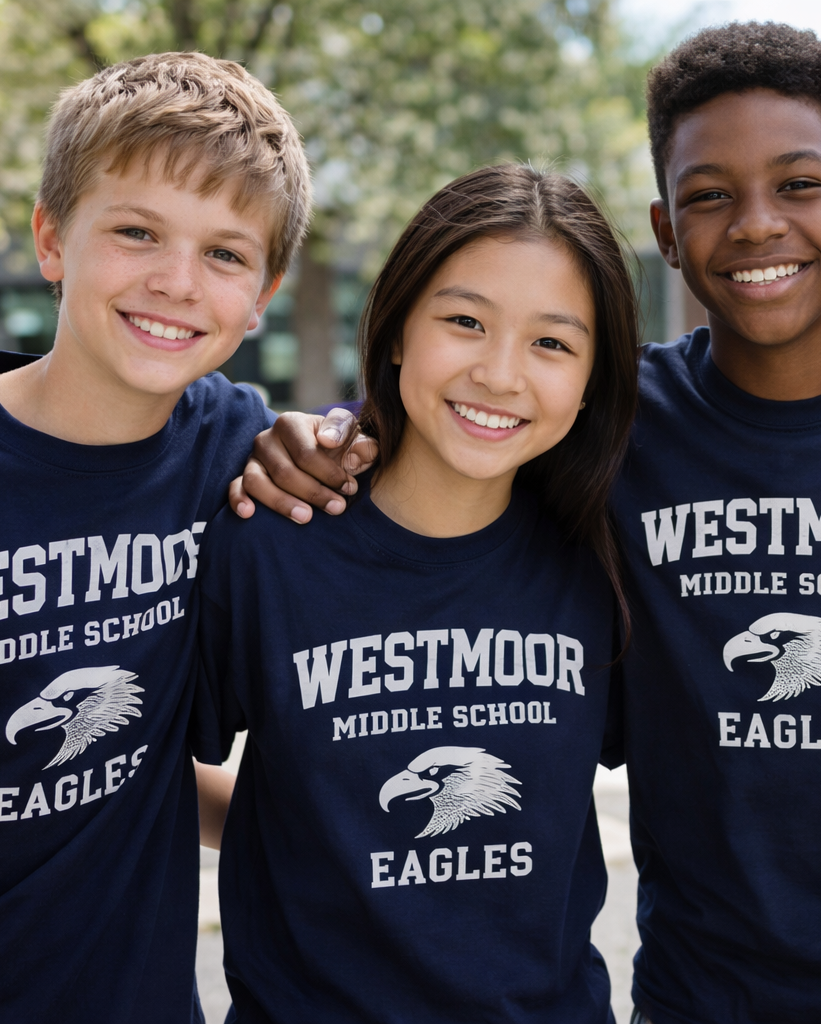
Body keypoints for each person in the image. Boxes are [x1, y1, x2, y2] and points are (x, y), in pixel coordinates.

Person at [235, 23, 821, 1024]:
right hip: (711, 994)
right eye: (709, 196)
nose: (755, 224)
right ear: (665, 232)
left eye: (798, 185)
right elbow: (477, 422)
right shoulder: (617, 426)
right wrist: (326, 434)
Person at [0, 52, 309, 1022]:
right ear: (52, 239)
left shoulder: (235, 448)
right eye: (136, 231)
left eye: (226, 254)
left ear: (263, 293)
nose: (178, 281)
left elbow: (144, 768)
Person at [191, 164, 641, 1023]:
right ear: (396, 329)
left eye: (553, 342)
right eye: (465, 321)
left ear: (592, 381)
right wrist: (298, 825)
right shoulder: (265, 539)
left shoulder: (605, 559)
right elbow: (149, 764)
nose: (501, 374)